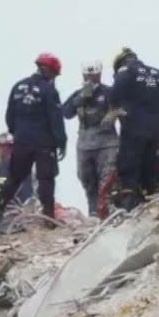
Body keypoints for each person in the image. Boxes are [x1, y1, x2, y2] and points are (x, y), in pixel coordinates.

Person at [0, 53, 69, 228]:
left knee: (14, 178)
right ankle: (48, 220)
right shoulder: (49, 90)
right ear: (48, 70)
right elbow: (56, 118)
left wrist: (17, 133)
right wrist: (61, 141)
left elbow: (9, 116)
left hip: (21, 142)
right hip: (43, 143)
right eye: (55, 75)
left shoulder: (18, 86)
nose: (54, 78)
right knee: (46, 180)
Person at [108, 47, 159, 211]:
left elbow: (115, 91)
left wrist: (114, 110)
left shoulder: (126, 71)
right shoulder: (152, 75)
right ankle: (149, 203)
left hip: (133, 129)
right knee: (149, 169)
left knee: (129, 169)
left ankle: (129, 207)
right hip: (153, 131)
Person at [63, 61, 120, 216]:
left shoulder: (109, 92)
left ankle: (108, 213)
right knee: (87, 179)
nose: (91, 78)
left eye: (94, 75)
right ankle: (93, 212)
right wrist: (81, 98)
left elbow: (123, 109)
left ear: (100, 75)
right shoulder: (78, 94)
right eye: (88, 75)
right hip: (85, 144)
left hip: (107, 143)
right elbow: (66, 113)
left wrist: (113, 115)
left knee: (107, 180)